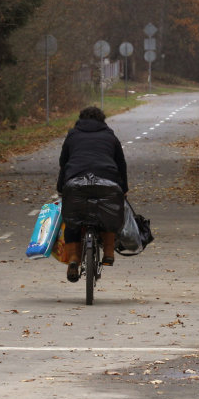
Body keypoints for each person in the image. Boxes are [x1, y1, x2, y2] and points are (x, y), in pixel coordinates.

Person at [56, 106, 128, 283]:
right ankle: (109, 252)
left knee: (73, 218)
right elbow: (121, 164)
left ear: (80, 120)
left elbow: (63, 164)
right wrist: (123, 189)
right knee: (107, 212)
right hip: (107, 181)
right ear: (102, 120)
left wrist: (61, 188)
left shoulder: (72, 136)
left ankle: (73, 258)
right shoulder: (110, 136)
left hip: (75, 182)